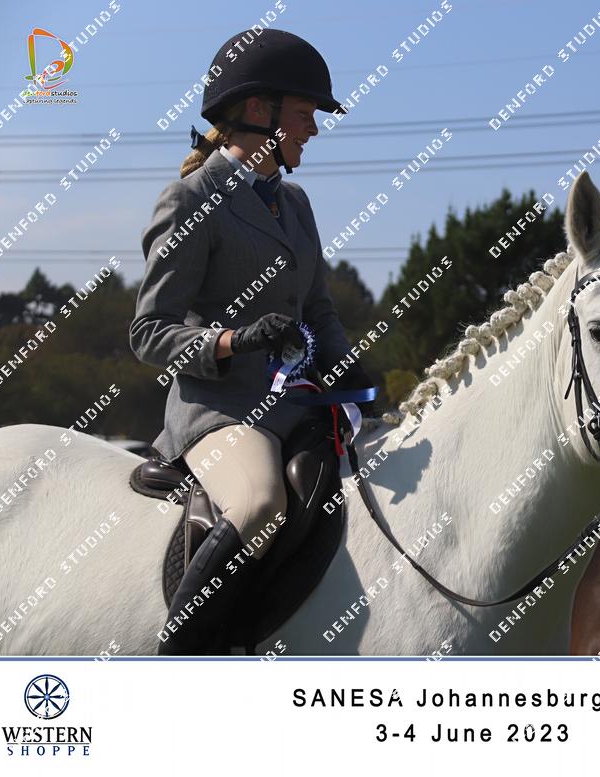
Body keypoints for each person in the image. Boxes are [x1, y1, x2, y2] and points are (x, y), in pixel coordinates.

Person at [129, 29, 371, 655]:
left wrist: (350, 370)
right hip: (220, 411)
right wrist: (235, 340)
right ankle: (179, 658)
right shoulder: (191, 199)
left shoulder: (296, 203)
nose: (313, 128)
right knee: (261, 502)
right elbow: (149, 333)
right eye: (305, 113)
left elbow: (318, 309)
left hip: (298, 406)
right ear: (259, 111)